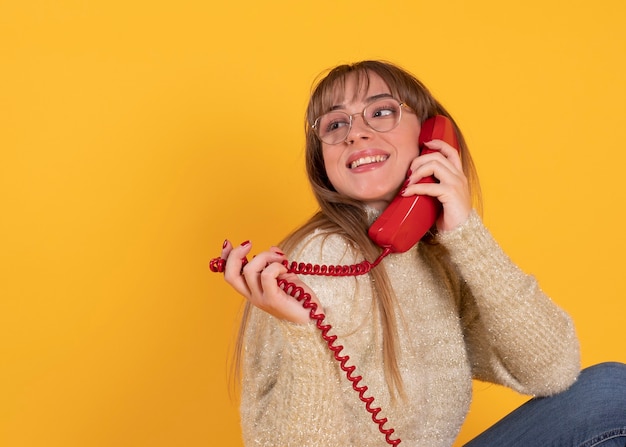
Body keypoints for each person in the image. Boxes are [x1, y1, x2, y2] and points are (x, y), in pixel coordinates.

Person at [214, 60, 626, 446]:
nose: (354, 133)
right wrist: (303, 335)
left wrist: (467, 235)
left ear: (430, 136)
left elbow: (552, 369)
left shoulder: (431, 258)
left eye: (380, 112)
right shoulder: (320, 261)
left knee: (608, 391)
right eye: (335, 124)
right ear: (323, 160)